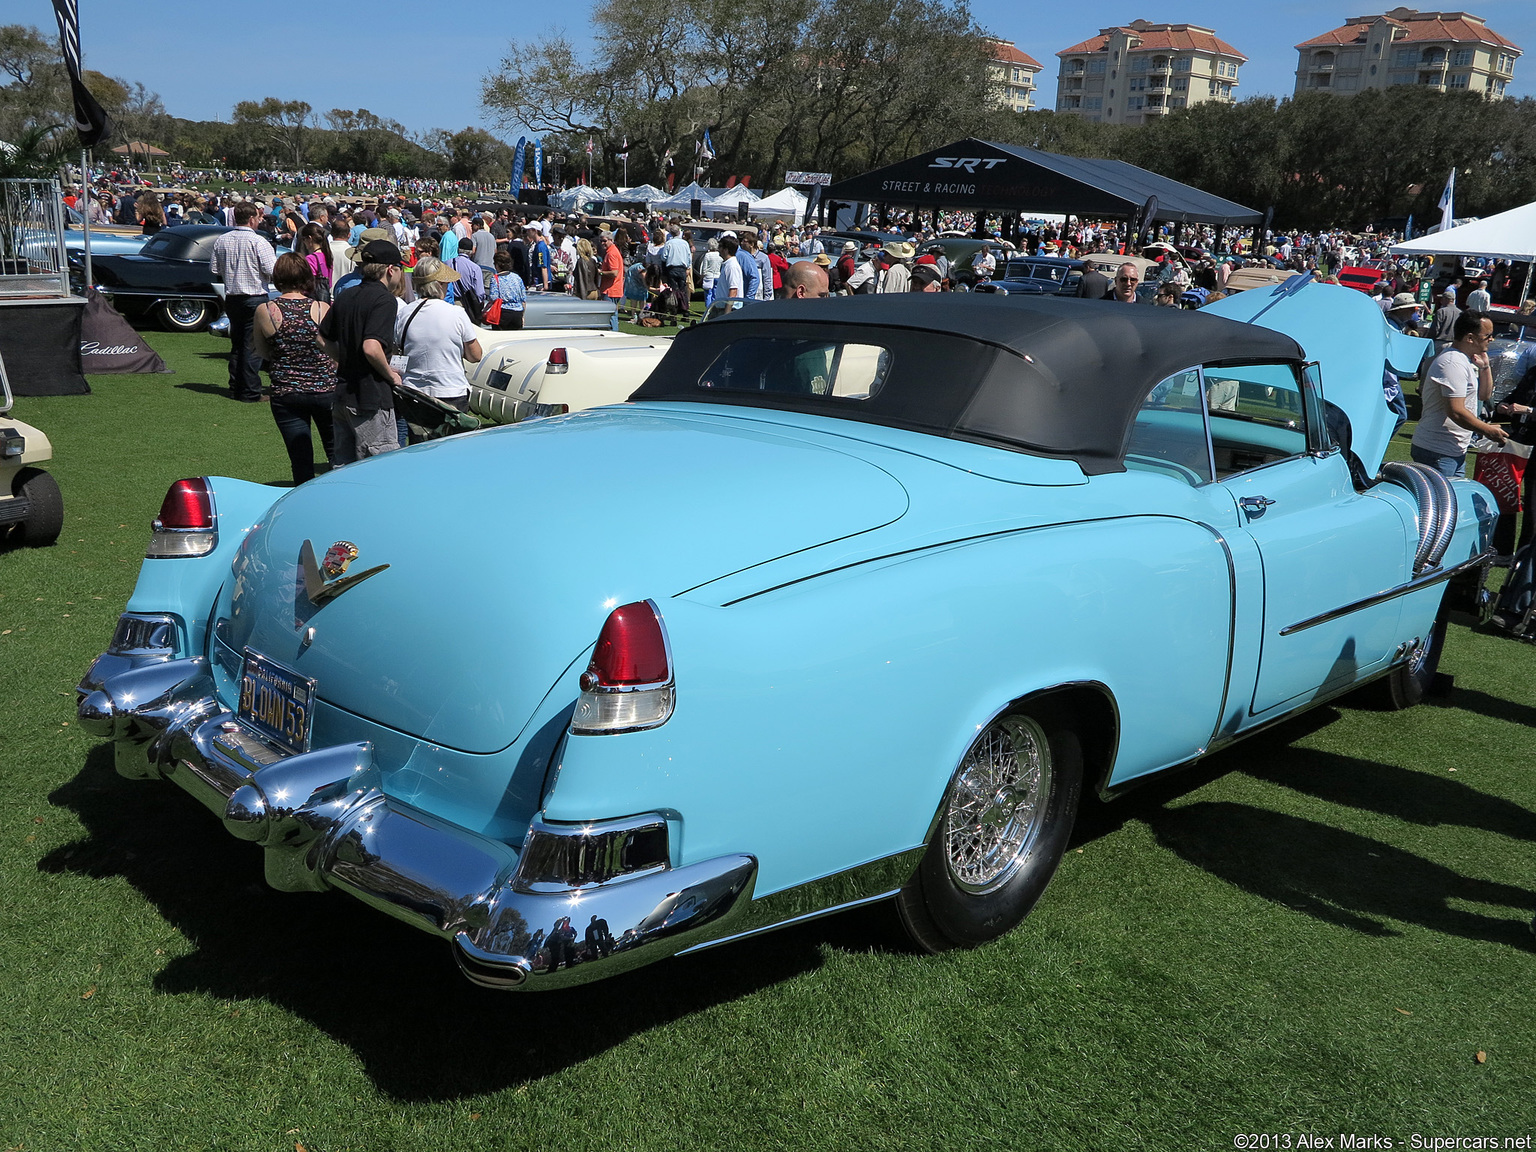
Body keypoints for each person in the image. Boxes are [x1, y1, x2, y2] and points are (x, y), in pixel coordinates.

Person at [317, 238, 406, 463]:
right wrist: (391, 375)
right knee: (379, 467)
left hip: (343, 395)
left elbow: (321, 337)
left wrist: (344, 359)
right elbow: (371, 347)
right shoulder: (385, 300)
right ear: (390, 269)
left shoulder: (346, 295)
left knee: (343, 466)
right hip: (371, 398)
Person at [252, 254, 338, 484]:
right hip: (325, 389)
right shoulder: (322, 308)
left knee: (300, 459)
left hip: (286, 391)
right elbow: (333, 348)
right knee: (336, 453)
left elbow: (262, 352)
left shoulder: (266, 310)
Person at [1409, 310, 1506, 478]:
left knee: (1451, 501)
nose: (1491, 339)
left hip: (1453, 449)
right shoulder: (1452, 362)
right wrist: (1487, 430)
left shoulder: (1464, 360)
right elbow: (1455, 411)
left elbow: (1484, 395)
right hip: (1437, 450)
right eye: (1487, 335)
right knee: (1439, 503)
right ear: (1470, 338)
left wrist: (1485, 367)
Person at [393, 256, 483, 435]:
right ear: (439, 284)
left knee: (420, 449)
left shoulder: (404, 313)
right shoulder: (456, 313)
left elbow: (397, 351)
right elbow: (475, 355)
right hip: (451, 391)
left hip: (415, 394)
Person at [209, 202, 277, 403]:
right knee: (253, 346)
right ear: (252, 219)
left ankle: (236, 386)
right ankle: (249, 391)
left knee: (238, 344)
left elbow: (215, 270)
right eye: (257, 218)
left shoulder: (222, 240)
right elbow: (272, 271)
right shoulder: (259, 242)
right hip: (254, 296)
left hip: (232, 297)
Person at [707, 234, 745, 318]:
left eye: (720, 247)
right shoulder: (727, 264)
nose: (718, 249)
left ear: (726, 250)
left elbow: (733, 291)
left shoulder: (732, 266)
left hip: (728, 309)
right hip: (719, 307)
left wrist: (726, 314)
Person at [488, 250, 527, 329]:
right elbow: (523, 299)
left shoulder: (495, 279)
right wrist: (522, 315)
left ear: (497, 265)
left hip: (503, 313)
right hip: (517, 313)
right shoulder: (517, 277)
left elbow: (493, 297)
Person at [659, 225, 692, 314]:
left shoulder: (669, 243)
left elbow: (664, 257)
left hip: (672, 268)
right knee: (683, 290)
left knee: (673, 291)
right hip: (682, 268)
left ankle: (674, 311)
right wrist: (688, 267)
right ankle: (685, 310)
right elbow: (689, 257)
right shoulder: (685, 243)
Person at [597, 229, 624, 303]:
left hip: (610, 290)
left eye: (605, 241)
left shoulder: (611, 254)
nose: (602, 243)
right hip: (613, 290)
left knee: (610, 314)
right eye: (601, 241)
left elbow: (614, 273)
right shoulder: (612, 251)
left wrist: (600, 272)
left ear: (611, 240)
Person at [700, 238, 723, 311]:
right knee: (715, 294)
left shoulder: (707, 255)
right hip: (717, 276)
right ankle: (714, 308)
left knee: (708, 294)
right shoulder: (719, 255)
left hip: (709, 276)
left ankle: (708, 309)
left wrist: (702, 275)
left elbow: (704, 268)